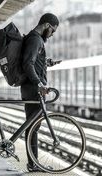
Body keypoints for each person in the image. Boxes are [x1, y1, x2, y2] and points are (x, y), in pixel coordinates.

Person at [21, 13, 59, 172]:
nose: (52, 35)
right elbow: (28, 64)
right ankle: (33, 163)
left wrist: (47, 63)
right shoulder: (35, 39)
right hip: (33, 89)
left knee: (32, 127)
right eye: (53, 31)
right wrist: (39, 83)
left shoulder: (34, 39)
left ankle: (33, 162)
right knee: (32, 128)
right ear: (47, 26)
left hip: (32, 88)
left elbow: (34, 62)